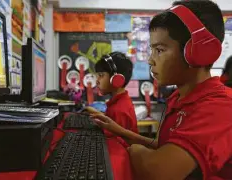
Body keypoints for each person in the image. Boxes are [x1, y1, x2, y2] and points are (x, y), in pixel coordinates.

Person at [92, 1, 232, 179]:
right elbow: (163, 145)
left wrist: (135, 150)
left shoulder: (221, 107)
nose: (150, 60)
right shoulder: (178, 98)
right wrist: (119, 130)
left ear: (198, 52)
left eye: (159, 50)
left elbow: (157, 171)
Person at [85, 52, 138, 134]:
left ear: (116, 79)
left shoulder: (119, 111)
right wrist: (97, 113)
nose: (97, 81)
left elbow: (116, 143)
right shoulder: (120, 101)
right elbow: (112, 122)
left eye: (101, 75)